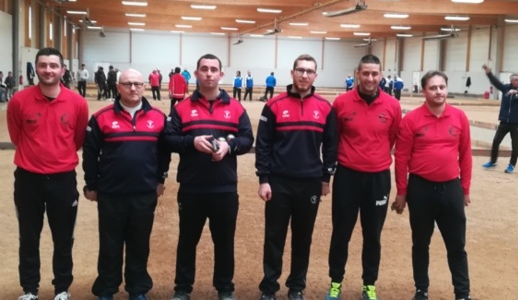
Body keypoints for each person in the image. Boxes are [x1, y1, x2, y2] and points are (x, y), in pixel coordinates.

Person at [164, 54, 254, 300]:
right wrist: (191, 142)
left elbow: (247, 139)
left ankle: (225, 288)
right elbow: (168, 139)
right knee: (187, 241)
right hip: (192, 187)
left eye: (214, 69)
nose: (209, 74)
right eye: (204, 69)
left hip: (224, 188)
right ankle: (182, 288)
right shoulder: (181, 107)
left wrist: (229, 147)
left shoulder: (235, 107)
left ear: (221, 75)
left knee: (224, 242)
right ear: (196, 73)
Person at [6, 47, 89, 300]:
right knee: (28, 236)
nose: (48, 70)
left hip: (63, 180)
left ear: (62, 70)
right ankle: (30, 290)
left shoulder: (78, 103)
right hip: (28, 180)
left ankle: (62, 289)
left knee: (63, 238)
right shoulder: (19, 101)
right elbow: (16, 136)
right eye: (43, 65)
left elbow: (77, 140)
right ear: (35, 68)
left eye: (53, 66)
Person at [83, 69, 171, 300]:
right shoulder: (101, 117)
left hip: (144, 193)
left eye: (137, 84)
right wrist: (91, 184)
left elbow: (164, 153)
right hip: (111, 194)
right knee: (110, 244)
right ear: (118, 87)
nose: (133, 88)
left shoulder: (159, 118)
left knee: (139, 244)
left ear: (144, 86)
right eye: (128, 84)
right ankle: (106, 288)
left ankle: (137, 288)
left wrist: (160, 179)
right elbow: (90, 153)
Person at [256, 54, 338, 300]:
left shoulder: (325, 107)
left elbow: (332, 146)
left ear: (315, 76)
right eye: (300, 70)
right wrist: (264, 179)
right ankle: (269, 287)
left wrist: (326, 178)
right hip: (279, 183)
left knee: (303, 237)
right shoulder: (273, 105)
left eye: (309, 71)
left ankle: (297, 286)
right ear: (292, 73)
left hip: (310, 183)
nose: (304, 75)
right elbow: (263, 145)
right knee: (274, 237)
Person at [325, 54, 402, 300]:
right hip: (347, 177)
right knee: (341, 233)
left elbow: (391, 138)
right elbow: (333, 139)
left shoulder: (392, 106)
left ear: (381, 76)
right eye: (365, 73)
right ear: (358, 74)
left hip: (378, 178)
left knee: (373, 235)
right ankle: (335, 281)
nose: (370, 78)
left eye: (375, 74)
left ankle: (369, 284)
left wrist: (374, 158)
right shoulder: (341, 103)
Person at [392, 70, 473, 300]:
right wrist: (402, 192)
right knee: (420, 243)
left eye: (442, 87)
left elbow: (465, 155)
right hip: (421, 190)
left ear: (447, 89)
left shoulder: (459, 117)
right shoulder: (411, 120)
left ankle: (463, 293)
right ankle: (421, 289)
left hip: (451, 190)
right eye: (433, 87)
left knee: (457, 244)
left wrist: (465, 189)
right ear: (423, 91)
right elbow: (402, 158)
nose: (438, 91)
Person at [481, 65, 518, 174]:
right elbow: (496, 83)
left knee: (515, 145)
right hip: (504, 122)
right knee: (496, 141)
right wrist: (489, 73)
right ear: (511, 81)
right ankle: (493, 161)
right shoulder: (506, 88)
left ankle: (512, 165)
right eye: (516, 80)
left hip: (516, 124)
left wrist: (516, 92)